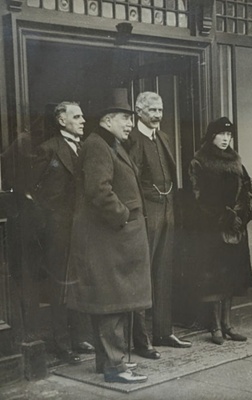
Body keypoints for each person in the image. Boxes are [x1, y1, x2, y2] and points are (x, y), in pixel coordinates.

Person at [66, 88, 152, 384]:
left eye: (130, 118)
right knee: (111, 302)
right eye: (124, 118)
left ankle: (110, 362)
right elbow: (99, 191)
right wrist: (124, 217)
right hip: (110, 238)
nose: (130, 123)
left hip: (116, 238)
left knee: (114, 301)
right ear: (106, 120)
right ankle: (114, 367)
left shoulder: (109, 144)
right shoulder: (98, 146)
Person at [128, 91, 191, 359]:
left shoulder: (163, 137)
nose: (157, 115)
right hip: (146, 215)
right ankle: (141, 342)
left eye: (160, 110)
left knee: (164, 272)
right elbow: (129, 181)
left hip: (167, 212)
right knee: (142, 276)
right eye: (152, 110)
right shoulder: (132, 139)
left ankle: (163, 332)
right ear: (139, 111)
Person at [31, 102, 94, 364]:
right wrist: (48, 226)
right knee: (60, 286)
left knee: (80, 283)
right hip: (58, 230)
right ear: (61, 120)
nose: (82, 121)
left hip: (83, 229)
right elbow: (33, 193)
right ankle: (62, 344)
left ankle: (80, 337)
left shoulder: (86, 148)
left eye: (82, 115)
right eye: (76, 116)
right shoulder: (48, 149)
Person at [188, 117, 252, 345]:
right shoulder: (200, 162)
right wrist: (224, 217)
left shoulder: (236, 161)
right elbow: (198, 198)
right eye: (221, 134)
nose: (225, 139)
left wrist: (241, 216)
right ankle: (215, 326)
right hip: (212, 231)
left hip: (235, 231)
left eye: (229, 135)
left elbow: (247, 190)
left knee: (231, 277)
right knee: (214, 278)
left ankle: (228, 325)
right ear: (211, 136)